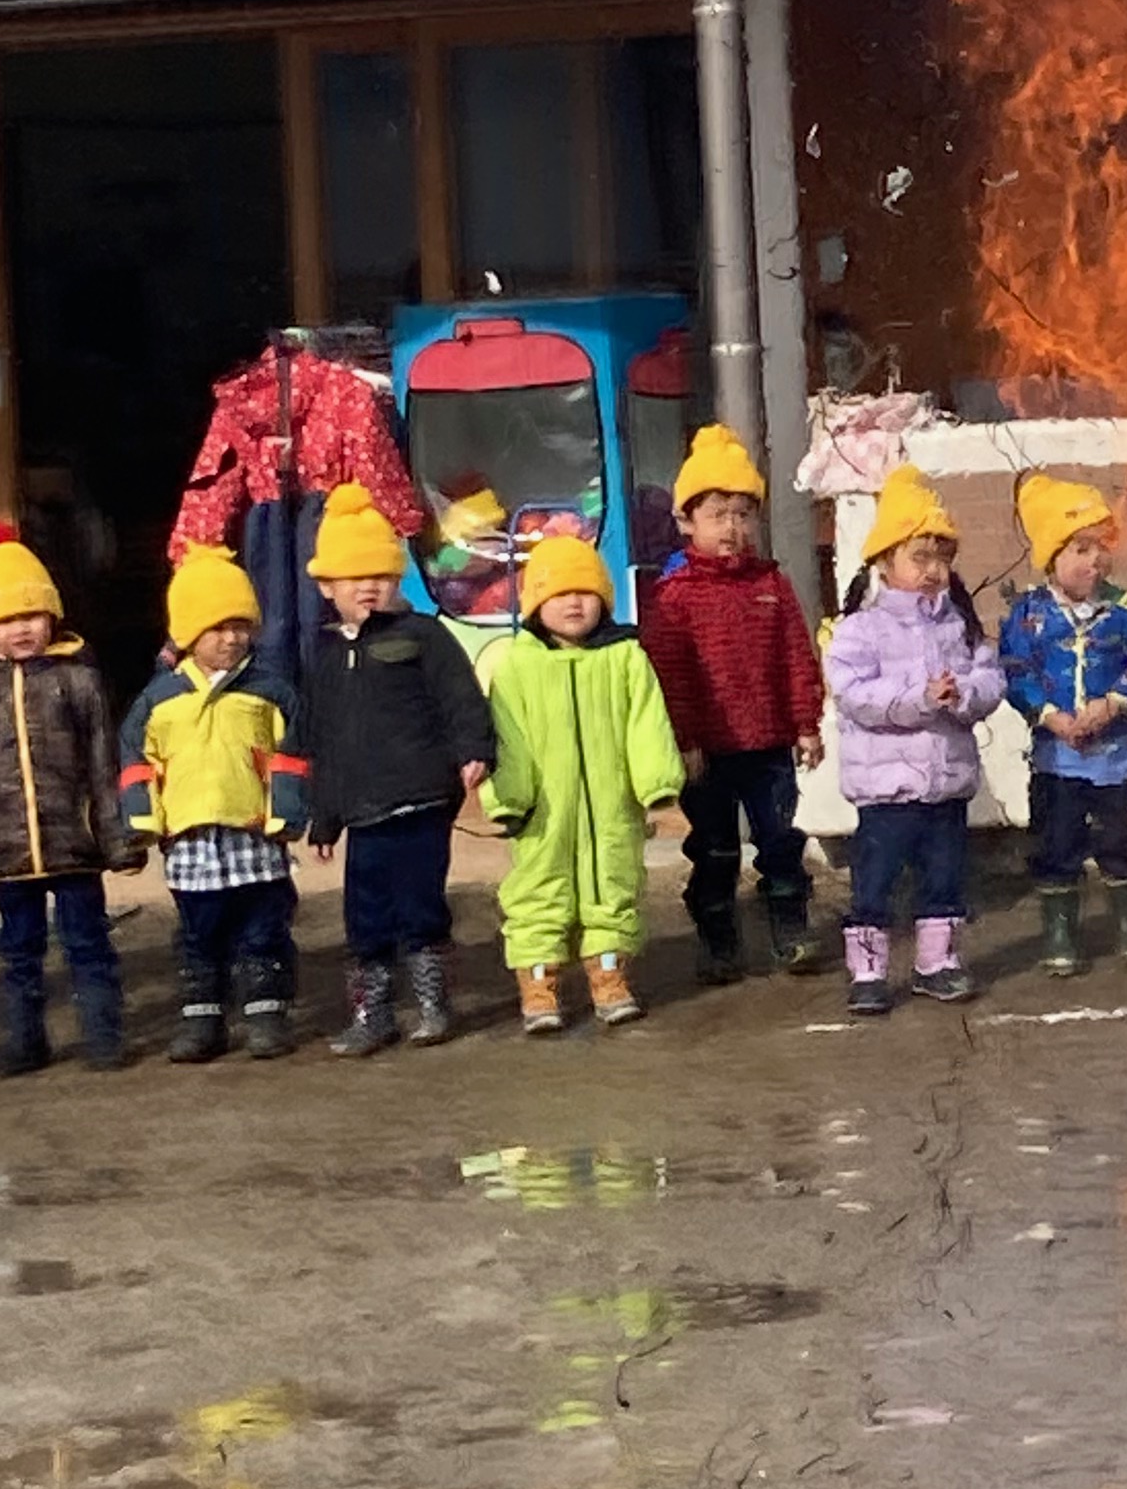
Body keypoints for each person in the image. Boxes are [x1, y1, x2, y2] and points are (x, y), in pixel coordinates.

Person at [297, 482, 495, 1057]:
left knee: (421, 905)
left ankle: (433, 1003)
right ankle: (373, 1011)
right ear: (325, 586)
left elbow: (461, 698)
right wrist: (325, 818)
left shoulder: (422, 635)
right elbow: (324, 739)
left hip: (421, 801)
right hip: (363, 814)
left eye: (379, 576)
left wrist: (473, 749)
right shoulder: (326, 653)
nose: (368, 588)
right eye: (354, 578)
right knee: (365, 917)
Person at [0, 524, 141, 1077]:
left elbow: (103, 768)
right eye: (6, 619)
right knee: (18, 955)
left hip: (74, 847)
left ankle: (103, 1036)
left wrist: (116, 834)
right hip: (6, 854)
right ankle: (24, 1044)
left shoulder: (80, 682)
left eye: (31, 614)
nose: (21, 628)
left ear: (52, 615)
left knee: (88, 945)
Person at [638, 424, 825, 982]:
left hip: (769, 744)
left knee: (781, 841)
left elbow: (796, 657)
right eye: (718, 514)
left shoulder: (772, 585)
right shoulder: (674, 596)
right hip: (710, 753)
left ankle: (790, 930)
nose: (732, 527)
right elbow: (670, 677)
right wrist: (686, 741)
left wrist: (806, 724)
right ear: (686, 522)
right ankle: (718, 941)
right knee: (715, 851)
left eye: (743, 514)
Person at [483, 532, 685, 1032]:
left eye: (586, 591)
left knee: (613, 884)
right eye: (559, 592)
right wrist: (508, 798)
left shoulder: (625, 658)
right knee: (537, 890)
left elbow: (646, 723)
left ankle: (609, 976)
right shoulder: (516, 665)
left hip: (610, 806)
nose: (574, 602)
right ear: (535, 604)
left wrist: (656, 785)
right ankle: (538, 984)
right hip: (544, 811)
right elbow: (507, 738)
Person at [824, 465, 1005, 1012]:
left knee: (944, 879)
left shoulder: (960, 625)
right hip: (887, 791)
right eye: (918, 557)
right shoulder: (859, 628)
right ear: (885, 561)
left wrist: (962, 696)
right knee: (874, 883)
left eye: (941, 558)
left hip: (945, 785)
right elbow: (855, 695)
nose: (932, 571)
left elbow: (990, 679)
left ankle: (937, 962)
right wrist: (920, 699)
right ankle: (868, 972)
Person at [120, 550, 310, 1064]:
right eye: (215, 628)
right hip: (191, 843)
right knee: (198, 937)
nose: (230, 638)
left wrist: (287, 815)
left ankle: (266, 1016)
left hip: (255, 838)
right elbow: (138, 760)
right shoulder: (158, 701)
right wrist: (141, 820)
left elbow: (290, 758)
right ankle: (202, 1019)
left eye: (240, 626)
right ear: (187, 635)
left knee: (263, 931)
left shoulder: (270, 693)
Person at [1000, 471, 1127, 978]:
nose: (1094, 561)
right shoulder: (1029, 614)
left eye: (1100, 548)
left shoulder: (1123, 609)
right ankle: (1059, 928)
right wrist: (1049, 715)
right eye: (1079, 550)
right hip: (1058, 754)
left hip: (1113, 752)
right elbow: (1016, 668)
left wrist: (1113, 702)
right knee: (1058, 840)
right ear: (1051, 558)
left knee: (1117, 835)